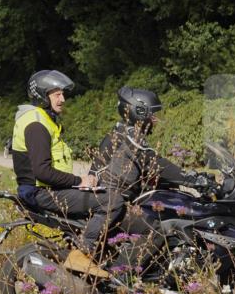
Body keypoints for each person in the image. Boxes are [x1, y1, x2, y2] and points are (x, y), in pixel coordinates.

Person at [92, 87, 215, 268]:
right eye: (152, 114)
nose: (155, 119)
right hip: (111, 203)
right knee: (157, 229)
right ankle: (121, 276)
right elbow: (155, 162)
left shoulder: (122, 132)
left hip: (109, 200)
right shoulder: (130, 136)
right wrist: (195, 180)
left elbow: (144, 169)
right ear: (138, 112)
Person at [12, 70, 122, 270]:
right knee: (112, 201)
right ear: (42, 96)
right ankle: (82, 252)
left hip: (49, 189)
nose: (62, 99)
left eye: (62, 94)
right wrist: (79, 181)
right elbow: (42, 172)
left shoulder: (44, 119)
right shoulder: (36, 124)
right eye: (56, 94)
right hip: (42, 192)